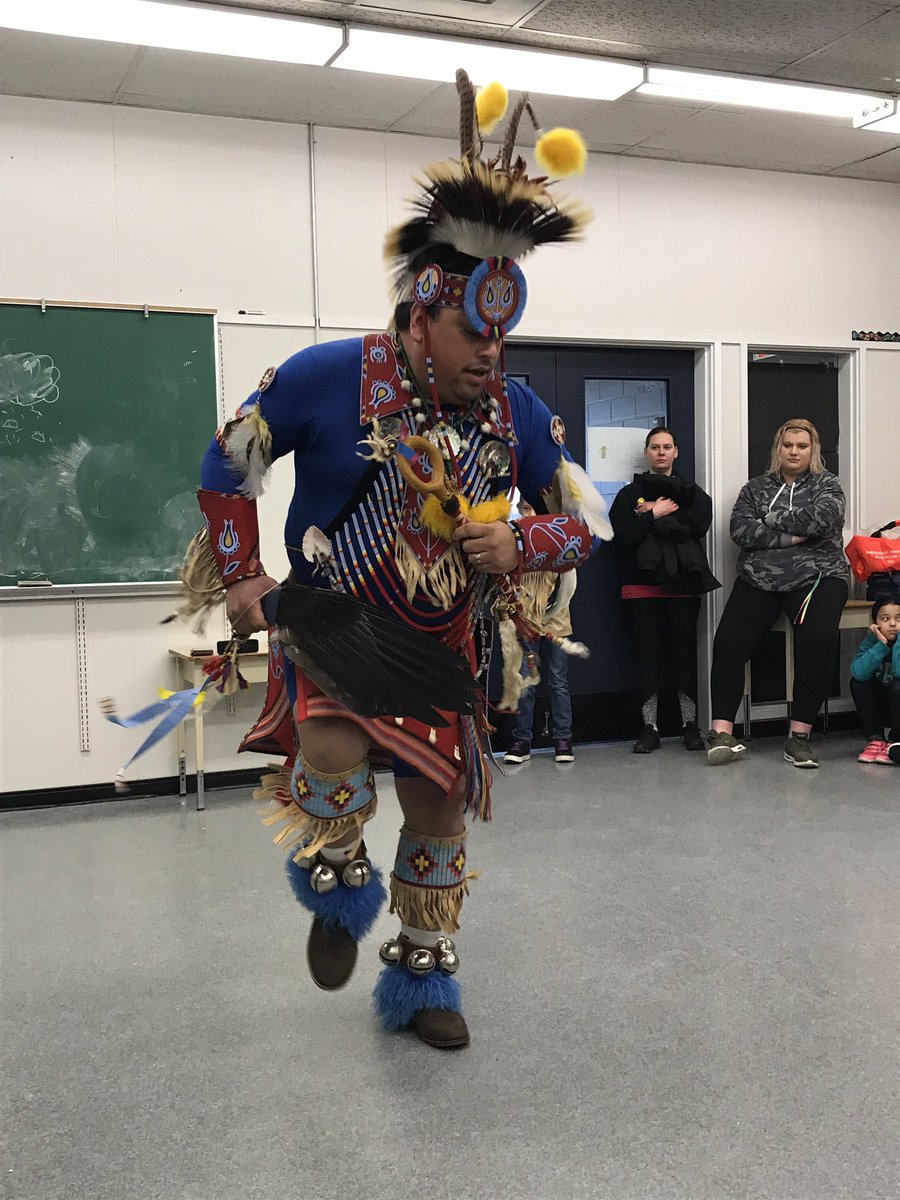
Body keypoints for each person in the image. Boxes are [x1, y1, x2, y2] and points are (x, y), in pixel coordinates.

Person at [180, 73, 610, 1050]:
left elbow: (587, 520)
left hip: (441, 641)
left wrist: (522, 542)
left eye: (504, 335)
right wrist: (245, 576)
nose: (491, 355)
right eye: (473, 332)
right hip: (333, 622)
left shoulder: (513, 412)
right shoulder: (326, 378)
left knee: (437, 806)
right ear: (422, 313)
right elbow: (226, 462)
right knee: (330, 759)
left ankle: (423, 981)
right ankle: (334, 881)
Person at [707, 418, 848, 769]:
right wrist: (791, 536)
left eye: (802, 446)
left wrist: (770, 520)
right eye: (788, 445)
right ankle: (722, 732)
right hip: (760, 578)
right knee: (728, 643)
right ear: (777, 449)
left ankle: (798, 737)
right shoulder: (754, 489)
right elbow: (740, 529)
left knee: (818, 641)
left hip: (819, 576)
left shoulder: (827, 484)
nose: (795, 451)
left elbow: (823, 519)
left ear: (813, 450)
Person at [608, 427, 719, 754]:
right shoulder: (629, 496)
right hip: (640, 587)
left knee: (684, 656)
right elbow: (622, 535)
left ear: (676, 452)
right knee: (647, 659)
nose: (660, 452)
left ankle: (689, 726)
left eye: (666, 446)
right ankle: (649, 728)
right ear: (646, 453)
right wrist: (654, 514)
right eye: (655, 447)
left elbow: (698, 525)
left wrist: (651, 519)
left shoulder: (692, 493)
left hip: (683, 586)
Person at [504, 503, 577, 765]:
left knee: (558, 681)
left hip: (555, 623)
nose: (528, 515)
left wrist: (546, 615)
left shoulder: (560, 539)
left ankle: (562, 738)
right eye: (524, 509)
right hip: (524, 622)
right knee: (525, 680)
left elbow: (567, 585)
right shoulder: (512, 540)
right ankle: (522, 740)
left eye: (533, 509)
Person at [850, 594, 900, 765]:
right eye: (885, 619)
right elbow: (858, 673)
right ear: (875, 623)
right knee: (858, 683)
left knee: (898, 686)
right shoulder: (871, 642)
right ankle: (876, 739)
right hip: (882, 707)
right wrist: (881, 645)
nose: (892, 624)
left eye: (899, 619)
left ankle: (895, 742)